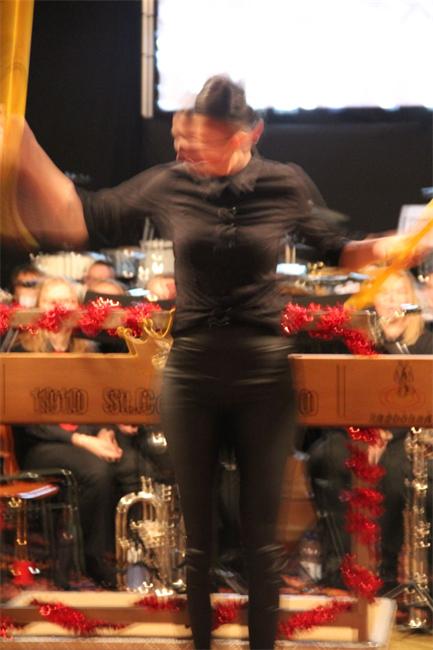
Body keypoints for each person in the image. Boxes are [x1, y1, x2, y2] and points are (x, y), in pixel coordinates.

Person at [8, 75, 433, 648]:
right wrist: (22, 139)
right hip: (192, 373)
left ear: (245, 135)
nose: (184, 148)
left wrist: (389, 247)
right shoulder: (169, 182)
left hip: (263, 375)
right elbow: (78, 217)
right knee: (199, 543)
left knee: (260, 543)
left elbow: (340, 250)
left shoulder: (284, 183)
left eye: (199, 139)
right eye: (182, 137)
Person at [11, 276, 142, 588]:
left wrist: (105, 430)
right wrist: (82, 440)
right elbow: (29, 420)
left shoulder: (89, 348)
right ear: (38, 308)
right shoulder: (22, 351)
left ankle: (132, 556)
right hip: (42, 444)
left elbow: (98, 400)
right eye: (52, 301)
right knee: (96, 472)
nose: (60, 308)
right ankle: (87, 558)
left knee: (131, 465)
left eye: (67, 301)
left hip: (87, 438)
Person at [308, 270, 433, 592]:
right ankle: (338, 567)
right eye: (384, 292)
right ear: (372, 301)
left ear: (412, 300)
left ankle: (385, 569)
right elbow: (332, 395)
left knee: (395, 472)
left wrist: (387, 433)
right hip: (351, 431)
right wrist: (361, 432)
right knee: (328, 457)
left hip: (404, 435)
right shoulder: (351, 337)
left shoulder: (425, 342)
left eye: (399, 292)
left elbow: (423, 401)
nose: (392, 300)